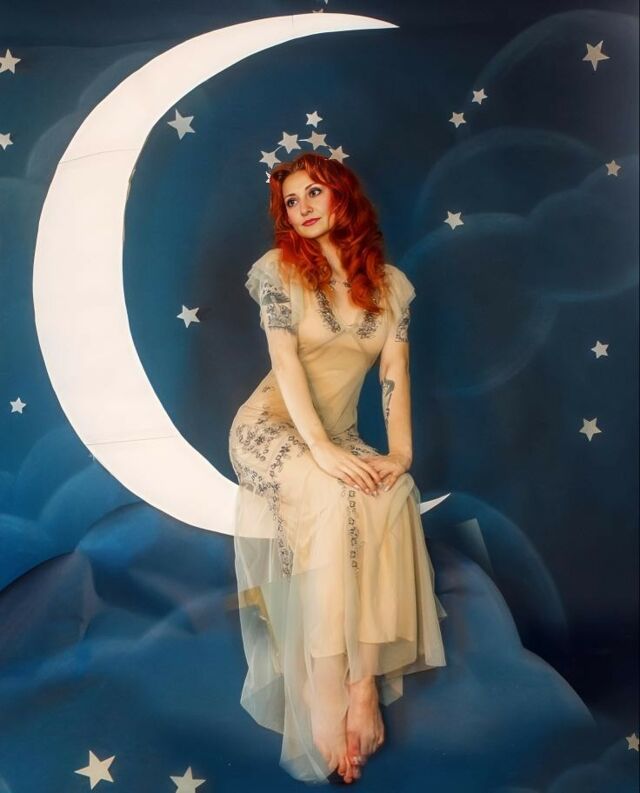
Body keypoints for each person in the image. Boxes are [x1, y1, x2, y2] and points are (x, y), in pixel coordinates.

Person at [228, 152, 447, 785]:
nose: (302, 208)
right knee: (331, 493)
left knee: (392, 492)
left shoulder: (391, 287)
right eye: (291, 201)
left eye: (313, 193)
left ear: (341, 195)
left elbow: (394, 371)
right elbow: (286, 363)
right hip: (269, 428)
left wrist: (400, 454)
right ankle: (326, 686)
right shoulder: (277, 272)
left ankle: (362, 684)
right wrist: (321, 450)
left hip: (341, 435)